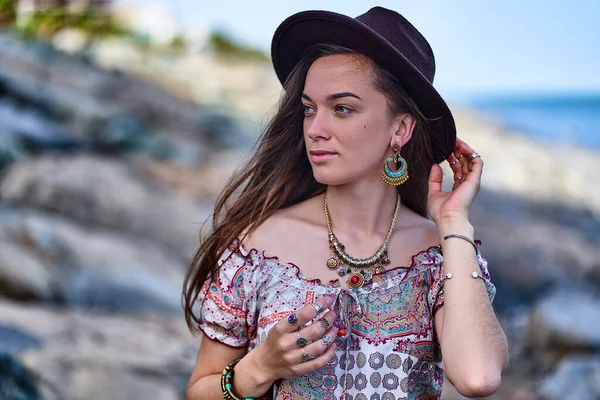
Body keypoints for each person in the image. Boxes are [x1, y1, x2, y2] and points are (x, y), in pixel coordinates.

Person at [183, 6, 509, 400]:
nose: (315, 130)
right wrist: (258, 368)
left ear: (400, 128)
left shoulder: (440, 257)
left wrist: (454, 224)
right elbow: (200, 388)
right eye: (309, 109)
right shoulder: (253, 250)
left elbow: (478, 377)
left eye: (342, 109)